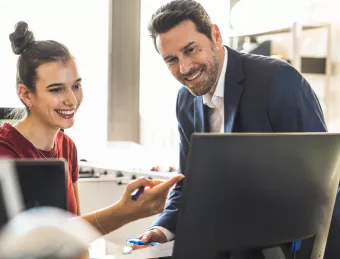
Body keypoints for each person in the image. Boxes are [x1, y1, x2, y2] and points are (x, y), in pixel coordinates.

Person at [135, 0, 327, 251]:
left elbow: (324, 179)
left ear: (215, 35)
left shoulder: (279, 80)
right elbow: (188, 183)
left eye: (191, 49)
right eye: (171, 60)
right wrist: (160, 230)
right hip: (224, 244)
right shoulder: (185, 101)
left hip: (285, 247)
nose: (185, 68)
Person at [0, 21, 184, 241]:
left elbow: (75, 235)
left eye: (76, 86)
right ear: (26, 94)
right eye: (57, 89)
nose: (72, 100)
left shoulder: (67, 147)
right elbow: (13, 246)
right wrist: (125, 211)